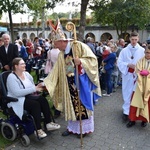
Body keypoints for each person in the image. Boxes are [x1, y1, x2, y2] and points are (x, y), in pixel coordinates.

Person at [44, 19, 101, 137]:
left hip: (81, 83)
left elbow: (93, 60)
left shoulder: (78, 46)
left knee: (82, 106)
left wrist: (81, 61)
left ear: (61, 41)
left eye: (55, 43)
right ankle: (72, 128)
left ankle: (84, 130)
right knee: (71, 106)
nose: (55, 46)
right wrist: (46, 83)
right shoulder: (61, 53)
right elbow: (56, 71)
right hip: (68, 84)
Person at [6, 57, 60, 138]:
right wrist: (34, 88)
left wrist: (38, 87)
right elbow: (17, 93)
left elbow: (32, 86)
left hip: (28, 96)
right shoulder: (11, 77)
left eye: (24, 63)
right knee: (35, 104)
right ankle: (38, 130)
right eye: (22, 64)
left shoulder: (26, 74)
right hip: (17, 100)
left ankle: (48, 123)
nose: (24, 65)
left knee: (42, 100)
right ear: (16, 66)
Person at [117, 31, 145, 122]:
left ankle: (135, 113)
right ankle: (126, 112)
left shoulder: (142, 51)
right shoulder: (124, 50)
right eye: (132, 39)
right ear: (129, 39)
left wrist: (137, 69)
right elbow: (119, 62)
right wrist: (128, 64)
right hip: (127, 75)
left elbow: (144, 63)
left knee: (135, 95)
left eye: (135, 39)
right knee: (126, 93)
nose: (134, 41)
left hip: (137, 77)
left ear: (138, 39)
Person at [126, 46, 150, 127]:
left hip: (148, 87)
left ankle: (144, 120)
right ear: (144, 52)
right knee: (134, 103)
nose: (148, 54)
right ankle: (132, 120)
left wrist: (148, 73)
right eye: (147, 52)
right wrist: (140, 73)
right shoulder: (140, 61)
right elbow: (137, 70)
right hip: (138, 86)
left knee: (147, 103)